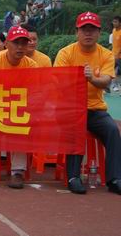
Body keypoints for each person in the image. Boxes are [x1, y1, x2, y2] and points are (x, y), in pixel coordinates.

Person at [54, 12, 121, 195]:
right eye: (84, 29)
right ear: (77, 32)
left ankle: (115, 179)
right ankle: (73, 177)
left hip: (95, 110)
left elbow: (106, 81)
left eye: (92, 29)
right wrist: (76, 78)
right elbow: (60, 82)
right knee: (76, 130)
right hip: (70, 108)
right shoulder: (65, 53)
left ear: (99, 32)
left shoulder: (106, 54)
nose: (88, 33)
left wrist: (92, 78)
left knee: (113, 130)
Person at [0, 26, 37, 189]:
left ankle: (17, 172)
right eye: (16, 43)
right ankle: (3, 154)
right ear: (7, 44)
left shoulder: (31, 65)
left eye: (24, 43)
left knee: (19, 121)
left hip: (20, 110)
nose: (20, 47)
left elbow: (34, 93)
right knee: (14, 119)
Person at [111, 16, 121, 92]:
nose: (114, 23)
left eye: (115, 22)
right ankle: (109, 86)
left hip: (119, 56)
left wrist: (118, 54)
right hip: (113, 55)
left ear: (120, 23)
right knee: (110, 70)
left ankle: (115, 85)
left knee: (117, 71)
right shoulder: (114, 30)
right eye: (113, 21)